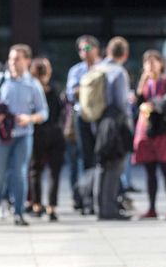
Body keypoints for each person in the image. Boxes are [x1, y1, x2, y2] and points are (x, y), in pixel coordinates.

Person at [0, 44, 47, 226]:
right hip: (1, 134)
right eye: (11, 59)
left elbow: (44, 112)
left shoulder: (33, 84)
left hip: (23, 135)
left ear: (27, 60)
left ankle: (18, 212)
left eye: (17, 59)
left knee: (19, 173)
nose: (13, 63)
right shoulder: (1, 79)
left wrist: (30, 118)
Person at [132, 50, 166, 219]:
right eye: (147, 62)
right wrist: (140, 85)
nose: (150, 66)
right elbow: (137, 105)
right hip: (147, 131)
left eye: (153, 62)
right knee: (150, 172)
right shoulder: (144, 84)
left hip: (163, 132)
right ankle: (151, 208)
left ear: (161, 64)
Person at [89, 37, 133, 220]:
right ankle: (109, 208)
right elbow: (121, 102)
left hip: (97, 122)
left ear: (108, 51)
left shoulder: (97, 69)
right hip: (114, 123)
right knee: (115, 165)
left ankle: (99, 207)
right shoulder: (118, 72)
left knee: (101, 165)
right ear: (125, 54)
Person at [65, 35, 101, 215]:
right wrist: (88, 88)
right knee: (82, 160)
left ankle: (99, 196)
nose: (83, 53)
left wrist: (84, 89)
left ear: (96, 49)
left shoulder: (103, 67)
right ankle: (82, 198)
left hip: (100, 118)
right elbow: (71, 94)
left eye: (87, 48)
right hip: (82, 117)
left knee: (100, 159)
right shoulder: (76, 70)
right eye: (80, 49)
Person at [28, 57, 65, 222]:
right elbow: (61, 111)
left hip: (38, 132)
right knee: (53, 172)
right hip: (55, 133)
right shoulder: (55, 89)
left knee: (35, 170)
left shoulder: (30, 90)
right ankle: (52, 207)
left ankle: (37, 204)